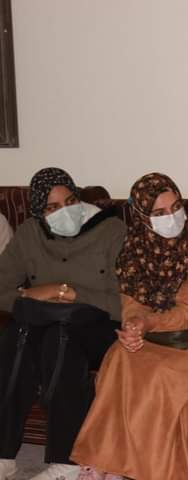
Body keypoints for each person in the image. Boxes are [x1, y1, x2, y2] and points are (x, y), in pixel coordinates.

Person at [70, 173, 188, 480]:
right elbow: (132, 302)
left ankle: (149, 470)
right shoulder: (135, 249)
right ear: (143, 217)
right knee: (118, 356)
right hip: (164, 335)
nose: (172, 217)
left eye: (176, 207)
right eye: (159, 212)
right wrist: (133, 325)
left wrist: (147, 323)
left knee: (161, 372)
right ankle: (107, 462)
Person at [0, 168, 126, 480]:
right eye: (52, 208)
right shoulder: (30, 233)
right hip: (44, 322)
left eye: (70, 201)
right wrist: (27, 295)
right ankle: (4, 454)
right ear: (38, 212)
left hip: (100, 327)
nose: (65, 212)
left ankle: (67, 460)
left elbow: (126, 303)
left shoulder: (112, 230)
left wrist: (69, 293)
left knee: (60, 338)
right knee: (18, 334)